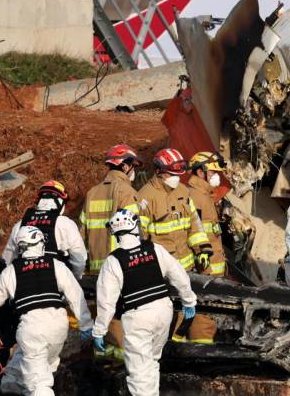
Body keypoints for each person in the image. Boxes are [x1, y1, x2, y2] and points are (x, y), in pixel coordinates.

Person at [91, 209, 197, 396]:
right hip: (163, 311)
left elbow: (106, 302)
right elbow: (178, 275)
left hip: (138, 317)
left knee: (140, 372)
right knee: (151, 362)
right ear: (135, 228)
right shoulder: (154, 249)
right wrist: (189, 301)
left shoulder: (113, 261)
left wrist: (99, 331)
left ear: (115, 234)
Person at [0, 226, 93, 396]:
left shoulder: (11, 271)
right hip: (58, 328)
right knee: (32, 362)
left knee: (38, 383)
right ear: (41, 243)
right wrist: (86, 325)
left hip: (32, 330)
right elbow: (76, 296)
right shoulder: (56, 265)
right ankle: (9, 386)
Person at [135, 148, 211, 272]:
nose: (175, 178)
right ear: (159, 171)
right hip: (163, 271)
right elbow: (139, 238)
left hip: (188, 269)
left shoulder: (183, 191)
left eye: (177, 174)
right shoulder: (145, 197)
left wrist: (202, 250)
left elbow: (195, 224)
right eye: (171, 174)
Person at [81, 144, 145, 276]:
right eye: (134, 166)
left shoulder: (91, 193)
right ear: (125, 167)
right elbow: (136, 231)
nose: (134, 171)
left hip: (96, 268)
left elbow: (82, 233)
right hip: (121, 267)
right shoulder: (127, 192)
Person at [3, 180, 87, 279]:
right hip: (55, 286)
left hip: (25, 284)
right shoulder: (65, 224)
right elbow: (79, 259)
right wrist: (74, 279)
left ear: (40, 200)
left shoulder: (20, 224)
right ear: (60, 202)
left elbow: (7, 260)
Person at [186, 152, 227, 276]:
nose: (216, 176)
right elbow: (194, 234)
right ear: (200, 172)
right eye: (213, 172)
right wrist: (205, 270)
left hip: (215, 267)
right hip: (208, 272)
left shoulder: (205, 195)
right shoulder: (195, 197)